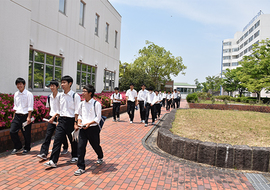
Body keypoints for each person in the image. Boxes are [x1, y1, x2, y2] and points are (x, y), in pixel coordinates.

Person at [44, 75, 81, 168]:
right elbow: (58, 109)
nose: (62, 84)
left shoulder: (75, 96)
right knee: (57, 140)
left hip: (71, 120)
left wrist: (76, 123)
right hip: (61, 120)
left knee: (72, 139)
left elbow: (77, 111)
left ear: (70, 83)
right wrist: (56, 119)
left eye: (64, 82)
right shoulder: (60, 96)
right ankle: (53, 161)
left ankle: (75, 156)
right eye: (62, 82)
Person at [74, 85, 104, 176]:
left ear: (90, 93)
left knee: (95, 145)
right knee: (80, 147)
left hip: (93, 128)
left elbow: (98, 118)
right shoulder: (81, 104)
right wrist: (78, 122)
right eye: (82, 91)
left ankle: (100, 156)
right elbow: (79, 115)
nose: (82, 93)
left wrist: (89, 124)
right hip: (83, 128)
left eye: (84, 91)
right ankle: (81, 167)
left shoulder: (96, 104)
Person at [37, 80, 69, 160]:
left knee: (60, 135)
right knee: (48, 135)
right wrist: (50, 117)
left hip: (59, 117)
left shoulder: (61, 96)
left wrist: (57, 119)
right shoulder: (49, 97)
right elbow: (50, 108)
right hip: (51, 118)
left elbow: (61, 109)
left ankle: (65, 146)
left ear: (57, 87)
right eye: (50, 86)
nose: (51, 87)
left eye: (53, 86)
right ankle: (43, 153)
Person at [10, 77, 34, 154]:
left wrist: (29, 117)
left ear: (24, 84)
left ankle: (27, 148)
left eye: (20, 84)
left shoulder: (29, 94)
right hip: (17, 115)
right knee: (12, 131)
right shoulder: (16, 94)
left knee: (26, 133)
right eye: (18, 84)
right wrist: (14, 116)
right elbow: (15, 106)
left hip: (25, 116)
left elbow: (30, 106)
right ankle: (18, 146)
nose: (19, 85)